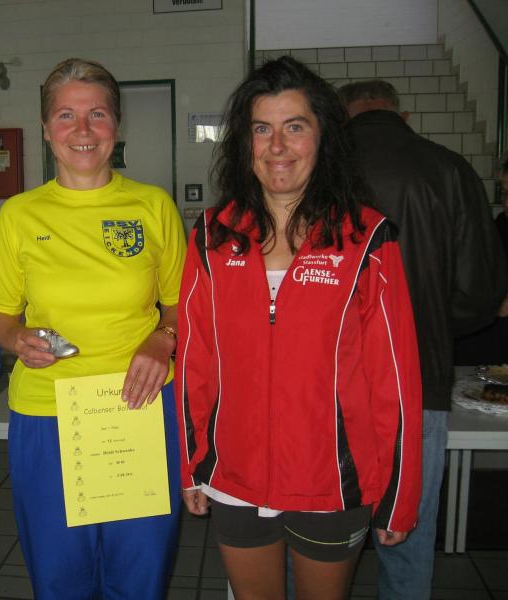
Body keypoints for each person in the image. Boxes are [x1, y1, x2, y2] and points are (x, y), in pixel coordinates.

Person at [177, 56, 422, 600]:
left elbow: (396, 379)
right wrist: (193, 465)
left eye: (295, 127)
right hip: (235, 479)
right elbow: (196, 362)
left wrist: (399, 495)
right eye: (261, 129)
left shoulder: (366, 238)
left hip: (332, 483)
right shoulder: (213, 235)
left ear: (323, 136)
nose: (277, 146)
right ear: (245, 142)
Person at [0, 58, 186, 599]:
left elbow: (183, 305)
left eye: (97, 114)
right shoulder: (20, 215)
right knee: (60, 578)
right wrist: (15, 339)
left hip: (138, 408)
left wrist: (163, 339)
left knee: (139, 575)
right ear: (46, 128)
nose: (83, 129)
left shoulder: (152, 206)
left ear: (116, 124)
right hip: (49, 414)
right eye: (66, 115)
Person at [339, 79, 508, 599]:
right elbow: (481, 293)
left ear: (342, 116)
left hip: (332, 382)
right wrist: (426, 327)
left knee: (320, 531)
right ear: (402, 115)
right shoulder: (451, 169)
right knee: (407, 530)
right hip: (419, 380)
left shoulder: (321, 166)